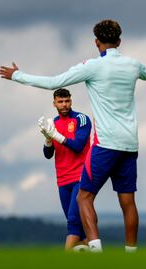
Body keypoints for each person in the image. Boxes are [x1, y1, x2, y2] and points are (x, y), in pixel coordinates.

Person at [0, 19, 146, 252]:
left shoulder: (92, 66)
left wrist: (17, 75)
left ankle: (95, 247)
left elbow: (54, 83)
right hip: (130, 145)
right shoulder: (133, 64)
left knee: (84, 197)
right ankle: (132, 254)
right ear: (119, 41)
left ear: (96, 42)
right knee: (128, 202)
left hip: (106, 144)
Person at [38, 88, 91, 251]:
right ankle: (91, 259)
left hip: (81, 177)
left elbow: (78, 145)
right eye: (60, 102)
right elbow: (48, 155)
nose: (64, 104)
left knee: (73, 222)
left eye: (67, 101)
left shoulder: (81, 119)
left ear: (71, 101)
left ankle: (64, 261)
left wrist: (55, 135)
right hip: (62, 180)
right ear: (54, 103)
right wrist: (48, 138)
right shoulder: (52, 123)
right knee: (79, 226)